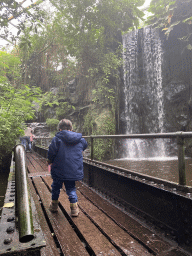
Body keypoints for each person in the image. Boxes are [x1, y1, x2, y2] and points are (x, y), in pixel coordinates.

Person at [47, 119, 88, 216]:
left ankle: (54, 206)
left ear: (60, 129)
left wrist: (49, 161)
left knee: (56, 187)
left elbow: (51, 152)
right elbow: (84, 145)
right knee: (71, 188)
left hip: (58, 169)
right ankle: (74, 209)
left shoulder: (57, 139)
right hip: (72, 169)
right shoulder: (79, 139)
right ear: (71, 128)